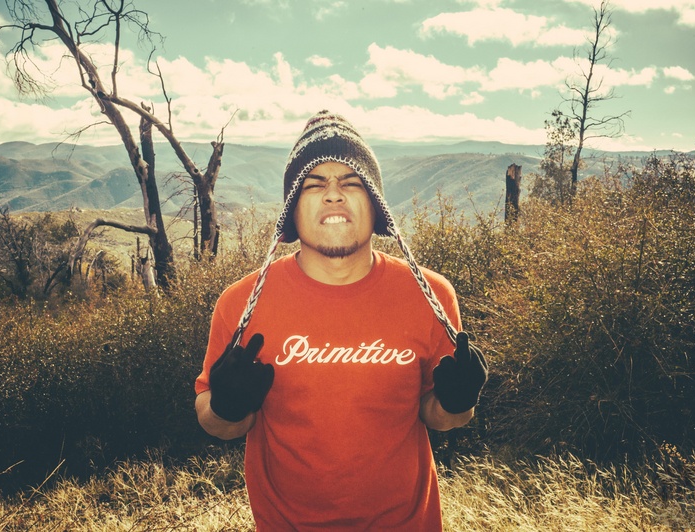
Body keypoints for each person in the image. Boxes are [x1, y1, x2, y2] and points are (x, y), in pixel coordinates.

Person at [195, 110, 488, 531]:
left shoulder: (430, 294)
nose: (334, 194)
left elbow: (439, 416)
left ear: (376, 205)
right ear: (292, 212)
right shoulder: (240, 304)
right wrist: (226, 406)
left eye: (352, 182)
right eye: (314, 184)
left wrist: (459, 403)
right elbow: (216, 422)